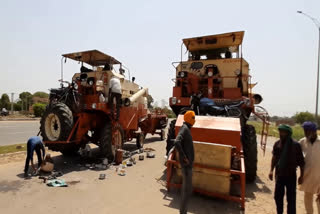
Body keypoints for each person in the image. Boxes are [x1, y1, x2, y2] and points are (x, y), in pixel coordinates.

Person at [269, 124, 305, 214]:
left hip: (291, 175)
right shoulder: (277, 144)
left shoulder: (295, 145)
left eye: (283, 132)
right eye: (280, 131)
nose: (281, 133)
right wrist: (271, 170)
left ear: (288, 133)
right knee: (278, 197)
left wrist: (301, 176)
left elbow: (301, 162)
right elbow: (274, 158)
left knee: (291, 199)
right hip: (280, 175)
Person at [174, 111, 196, 214]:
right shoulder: (185, 129)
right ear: (189, 118)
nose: (194, 120)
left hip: (188, 165)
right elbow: (177, 142)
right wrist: (184, 157)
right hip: (186, 166)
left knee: (187, 190)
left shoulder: (186, 128)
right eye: (193, 118)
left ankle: (183, 212)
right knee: (186, 191)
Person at [299, 121, 320, 214]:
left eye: (308, 131)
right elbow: (297, 157)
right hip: (307, 175)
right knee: (308, 197)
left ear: (314, 131)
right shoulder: (302, 142)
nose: (306, 133)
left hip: (319, 176)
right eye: (305, 131)